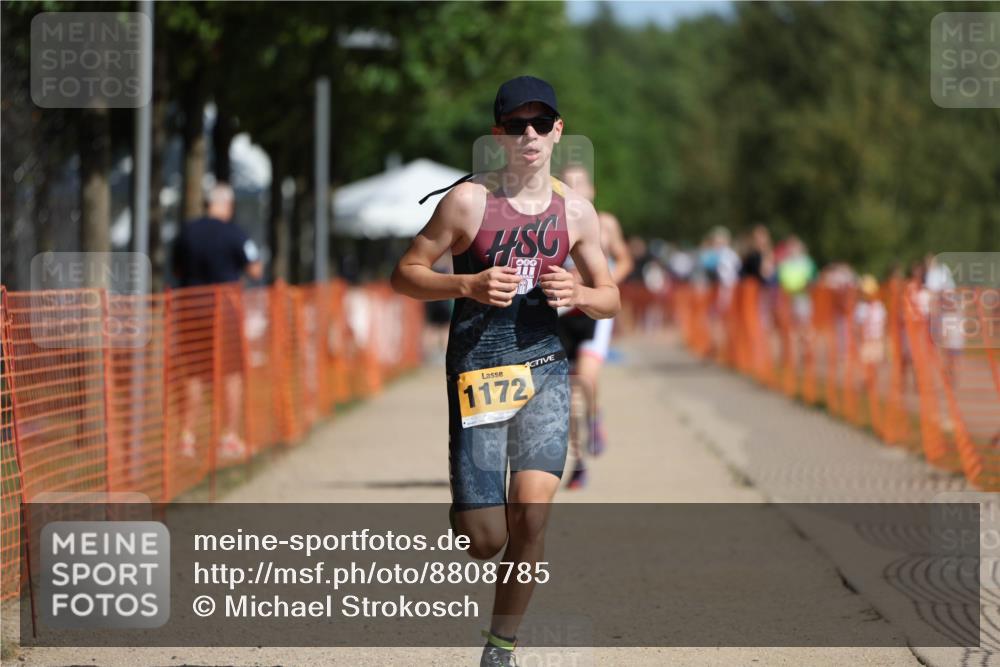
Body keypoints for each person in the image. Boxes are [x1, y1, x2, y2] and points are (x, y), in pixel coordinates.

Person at [391, 75, 619, 667]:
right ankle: (470, 515)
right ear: (499, 135)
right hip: (477, 375)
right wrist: (464, 282)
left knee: (532, 516)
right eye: (517, 125)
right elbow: (405, 272)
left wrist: (580, 292)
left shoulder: (577, 212)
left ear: (558, 131)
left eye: (541, 123)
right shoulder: (468, 202)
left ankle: (500, 648)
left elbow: (612, 296)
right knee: (486, 540)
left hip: (545, 370)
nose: (530, 135)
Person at [171, 182, 263, 459]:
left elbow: (176, 267)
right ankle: (228, 437)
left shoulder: (186, 231)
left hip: (191, 308)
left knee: (195, 373)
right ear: (228, 205)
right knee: (231, 373)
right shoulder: (234, 233)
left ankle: (186, 437)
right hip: (224, 310)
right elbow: (255, 269)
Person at [556, 163, 633, 488]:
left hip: (591, 316)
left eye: (579, 185)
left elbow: (625, 258)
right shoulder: (550, 223)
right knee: (568, 394)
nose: (573, 190)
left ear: (592, 191)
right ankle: (579, 464)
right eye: (566, 185)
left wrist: (603, 286)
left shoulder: (605, 223)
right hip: (560, 316)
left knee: (584, 380)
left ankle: (595, 415)